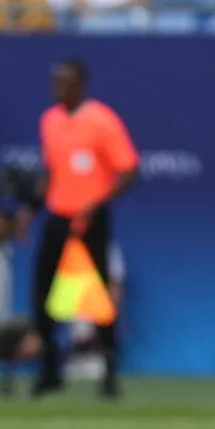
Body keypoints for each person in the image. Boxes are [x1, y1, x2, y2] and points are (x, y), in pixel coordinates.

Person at [32, 60, 139, 399]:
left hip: (92, 218)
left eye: (64, 82)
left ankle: (108, 373)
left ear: (80, 85)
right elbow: (51, 172)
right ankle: (50, 370)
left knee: (99, 296)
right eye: (54, 81)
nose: (57, 88)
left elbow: (128, 171)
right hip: (59, 215)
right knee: (43, 291)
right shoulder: (49, 121)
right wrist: (30, 203)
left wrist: (97, 201)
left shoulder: (102, 121)